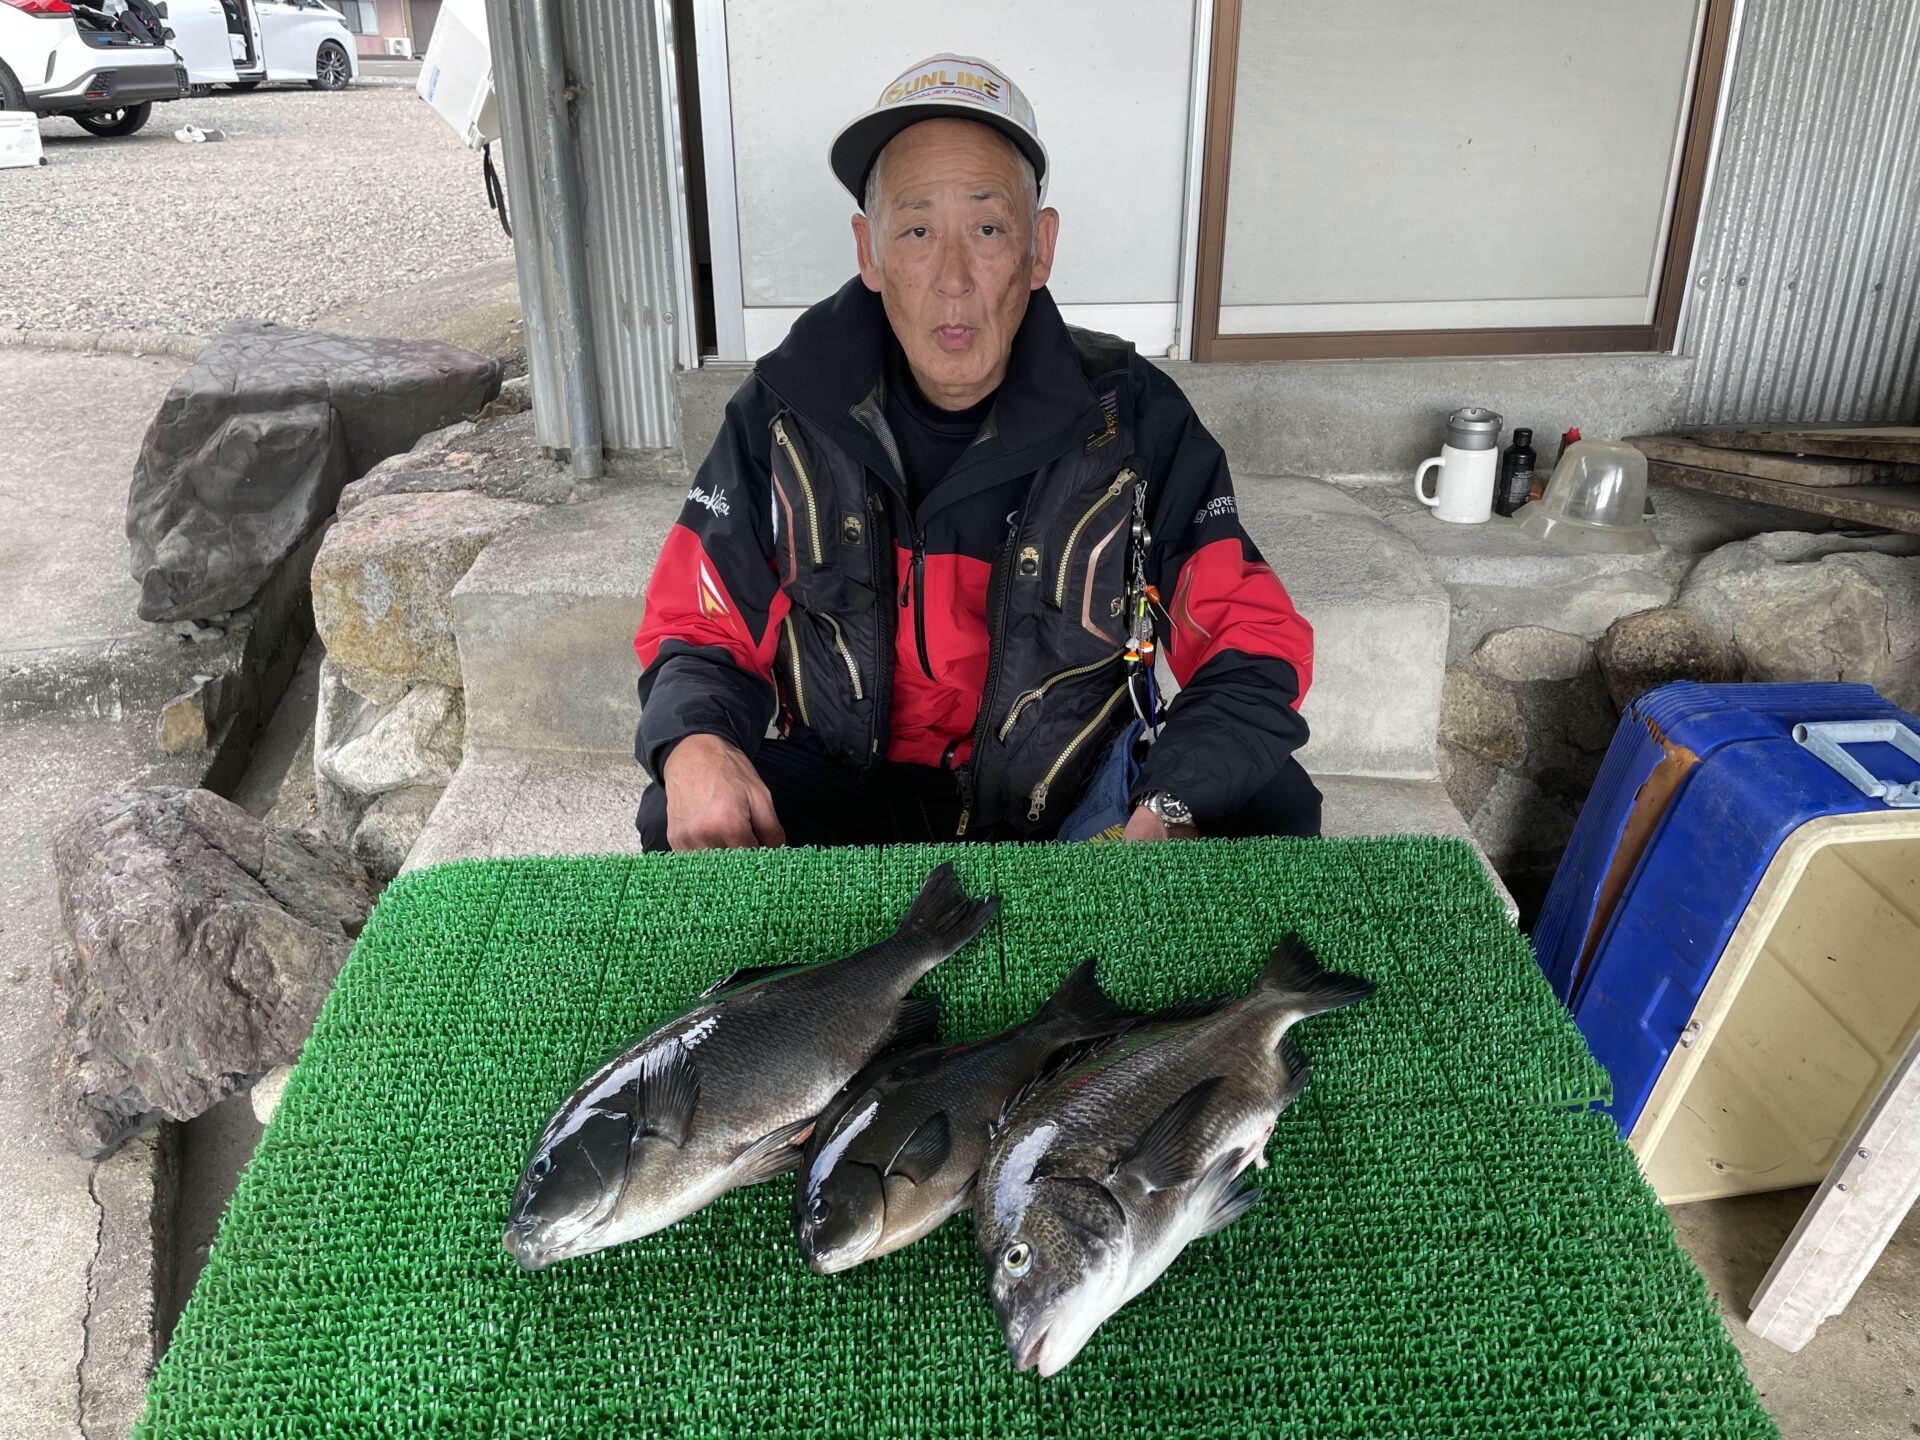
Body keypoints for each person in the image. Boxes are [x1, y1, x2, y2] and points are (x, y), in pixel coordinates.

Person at [634, 53, 1318, 851]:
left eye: (988, 229)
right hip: (850, 795)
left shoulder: (1135, 421)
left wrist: (1172, 805)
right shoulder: (782, 414)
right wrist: (695, 742)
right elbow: (697, 625)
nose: (952, 278)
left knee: (1263, 798)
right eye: (917, 230)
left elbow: (1250, 636)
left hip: (1069, 805)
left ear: (1039, 248)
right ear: (869, 252)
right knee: (684, 805)